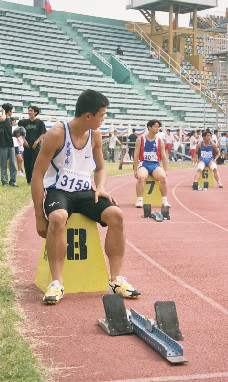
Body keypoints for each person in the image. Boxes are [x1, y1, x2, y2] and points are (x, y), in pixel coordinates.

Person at [31, 89, 141, 304]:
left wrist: (100, 186)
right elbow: (37, 174)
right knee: (58, 217)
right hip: (58, 191)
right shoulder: (57, 134)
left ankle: (116, 279)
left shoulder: (95, 135)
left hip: (85, 192)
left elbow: (100, 168)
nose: (103, 119)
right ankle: (57, 283)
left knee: (116, 215)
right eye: (102, 115)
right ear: (88, 116)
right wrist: (38, 216)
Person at [133, 119, 170, 208]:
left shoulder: (160, 141)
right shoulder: (140, 139)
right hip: (144, 164)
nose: (157, 129)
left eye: (158, 127)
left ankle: (165, 200)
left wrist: (165, 170)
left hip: (155, 165)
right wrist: (135, 170)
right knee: (141, 177)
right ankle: (139, 200)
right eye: (155, 127)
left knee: (163, 177)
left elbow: (164, 157)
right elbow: (136, 156)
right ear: (149, 127)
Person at [18, 106, 46, 184]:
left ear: (35, 112)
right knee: (27, 163)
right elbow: (22, 132)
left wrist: (37, 142)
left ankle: (34, 180)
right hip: (27, 145)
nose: (29, 112)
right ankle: (29, 180)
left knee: (34, 163)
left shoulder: (40, 122)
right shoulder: (24, 122)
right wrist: (24, 140)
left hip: (36, 146)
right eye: (29, 110)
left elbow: (43, 133)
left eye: (31, 111)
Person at [0, 103, 18, 187]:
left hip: (11, 144)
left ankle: (13, 181)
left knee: (13, 164)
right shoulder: (1, 118)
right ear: (9, 110)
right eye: (11, 110)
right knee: (3, 165)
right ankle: (4, 182)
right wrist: (3, 111)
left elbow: (9, 132)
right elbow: (3, 118)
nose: (12, 112)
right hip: (2, 144)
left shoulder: (10, 120)